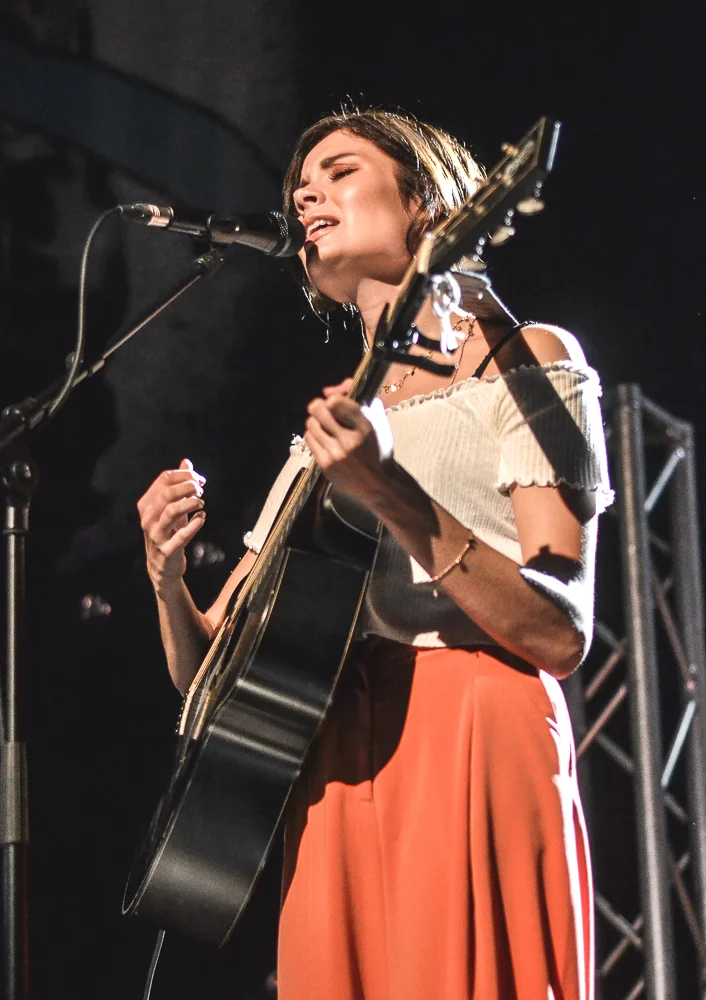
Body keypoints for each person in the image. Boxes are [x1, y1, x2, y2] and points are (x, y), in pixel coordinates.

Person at [137, 109, 612, 1000]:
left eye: (340, 171)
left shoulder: (525, 358)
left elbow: (561, 631)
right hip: (335, 766)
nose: (305, 194)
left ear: (426, 203)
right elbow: (208, 676)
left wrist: (392, 492)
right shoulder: (323, 436)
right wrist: (166, 580)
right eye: (299, 185)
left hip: (470, 730)